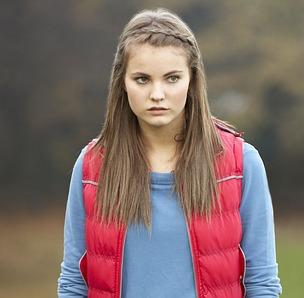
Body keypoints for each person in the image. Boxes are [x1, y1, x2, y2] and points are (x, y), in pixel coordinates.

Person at [57, 8, 281, 298]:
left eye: (172, 78)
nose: (157, 94)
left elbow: (262, 282)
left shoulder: (241, 164)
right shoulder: (92, 167)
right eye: (142, 79)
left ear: (192, 81)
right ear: (122, 83)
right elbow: (74, 283)